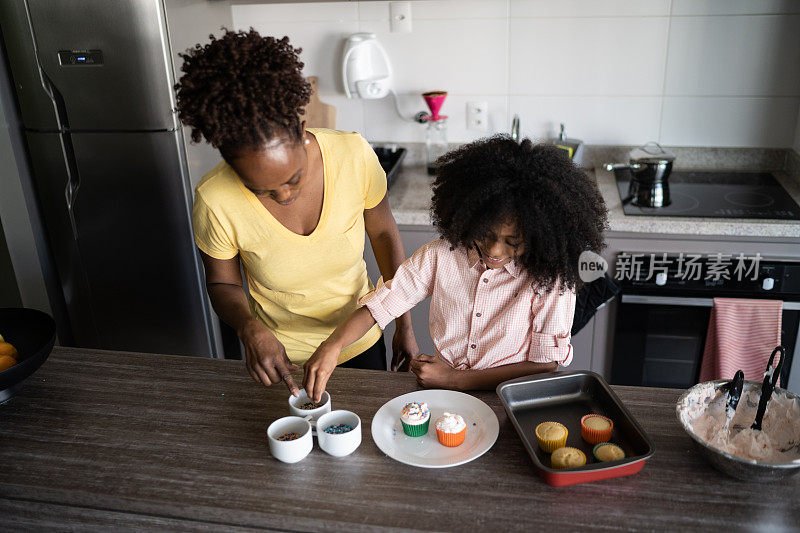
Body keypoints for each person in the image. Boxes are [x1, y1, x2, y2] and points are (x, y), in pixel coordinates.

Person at [175, 29, 417, 396]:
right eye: (261, 189)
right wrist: (249, 329)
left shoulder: (353, 155)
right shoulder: (215, 199)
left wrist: (404, 325)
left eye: (293, 178)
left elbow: (384, 236)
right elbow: (223, 283)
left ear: (302, 131)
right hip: (280, 358)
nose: (284, 195)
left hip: (359, 341)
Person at [302, 136, 608, 401]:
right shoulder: (442, 256)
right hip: (443, 394)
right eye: (485, 235)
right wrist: (333, 346)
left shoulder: (550, 280)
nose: (493, 250)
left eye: (512, 242)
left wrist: (454, 380)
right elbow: (382, 304)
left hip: (510, 399)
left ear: (540, 233)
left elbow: (546, 364)